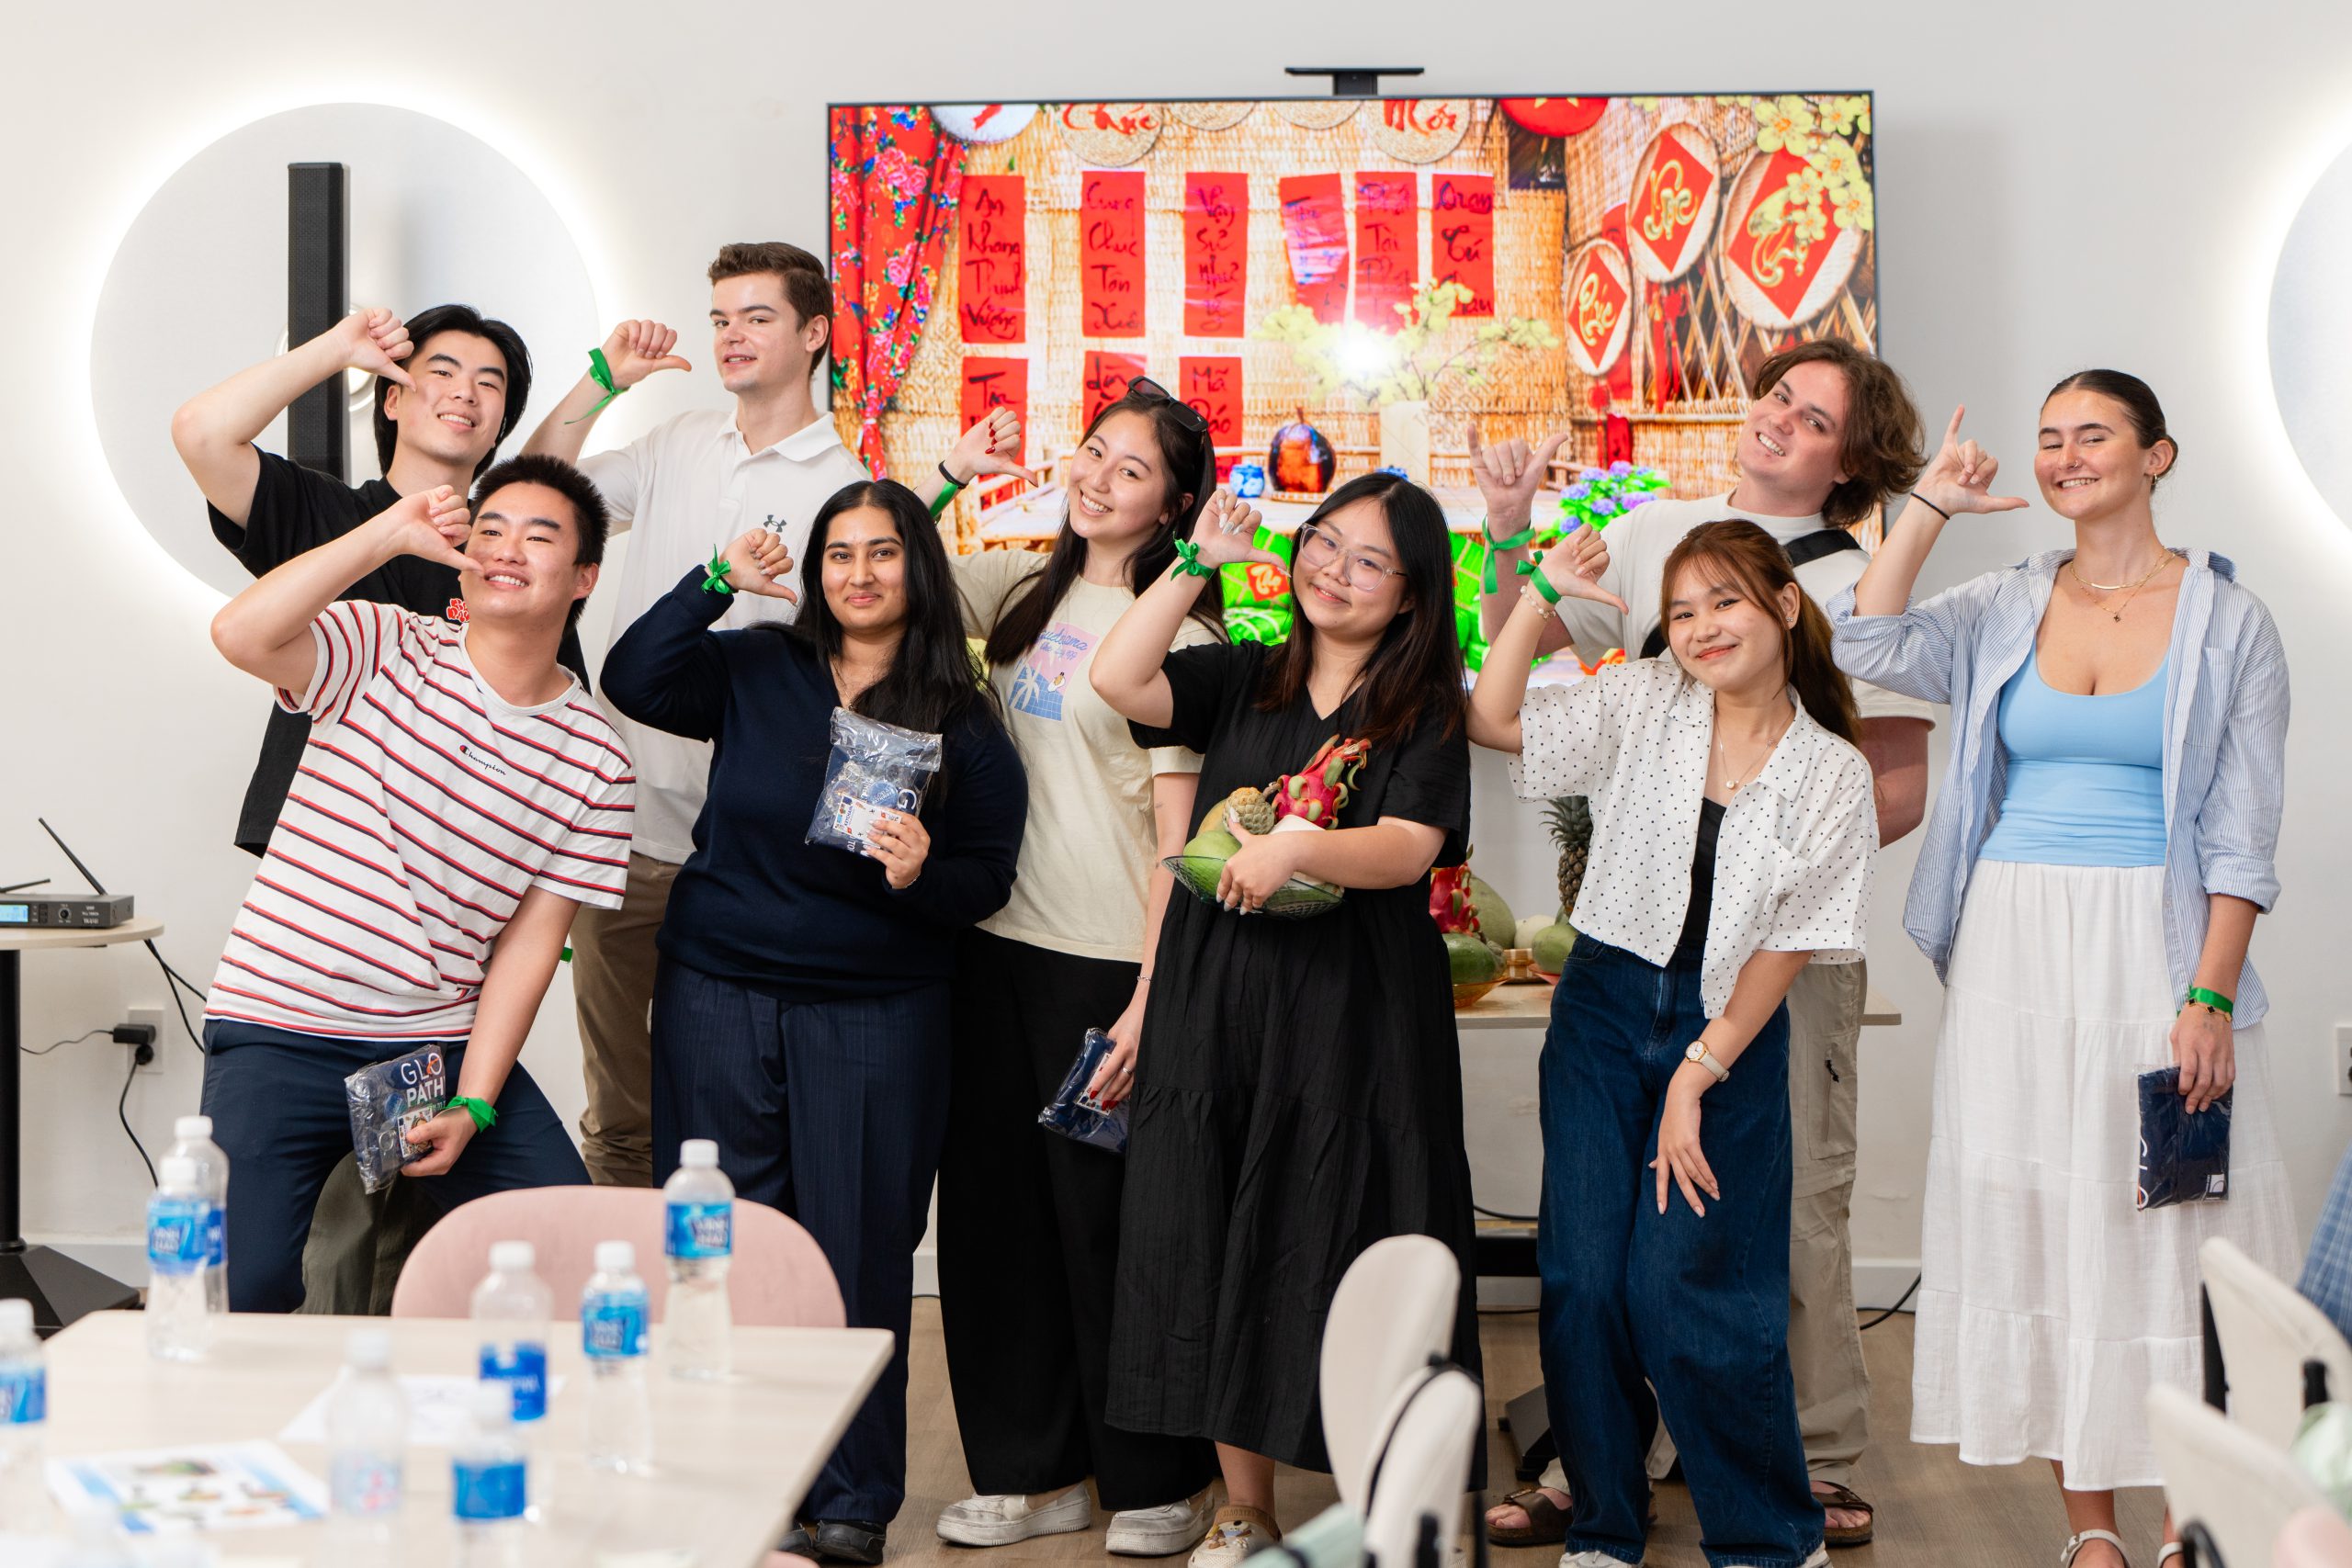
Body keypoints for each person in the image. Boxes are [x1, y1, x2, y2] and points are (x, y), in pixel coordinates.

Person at [1829, 374, 2298, 1568]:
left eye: (2093, 435)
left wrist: (2207, 994)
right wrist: (1929, 505)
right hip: (2015, 944)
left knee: (2174, 1222)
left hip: (2156, 941)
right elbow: (1864, 637)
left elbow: (2244, 834)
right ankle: (2090, 1528)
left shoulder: (2229, 621)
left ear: (2157, 456)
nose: (2065, 456)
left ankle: (2192, 1521)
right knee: (2045, 1222)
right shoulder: (2004, 602)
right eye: (2049, 439)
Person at [1475, 337, 1931, 1549]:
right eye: (1681, 610)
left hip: (1758, 980)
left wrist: (1764, 888)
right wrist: (1517, 546)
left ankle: (1787, 1496)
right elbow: (1508, 694)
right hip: (1615, 980)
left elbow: (1878, 801)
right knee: (1588, 1272)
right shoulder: (1651, 599)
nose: (1699, 623)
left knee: (1722, 1265)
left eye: (1816, 417)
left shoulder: (1855, 606)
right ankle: (1603, 1505)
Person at [525, 241, 1027, 1188]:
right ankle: (647, 1280)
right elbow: (533, 495)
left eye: (757, 317)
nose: (732, 336)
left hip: (756, 854)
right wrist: (602, 379)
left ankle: (761, 1273)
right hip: (623, 827)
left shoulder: (840, 482)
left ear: (813, 333)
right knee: (624, 1116)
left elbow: (888, 584)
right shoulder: (675, 443)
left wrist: (949, 477)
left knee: (745, 1125)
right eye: (721, 318)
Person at [600, 478, 1025, 1565]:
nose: (859, 574)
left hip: (877, 1013)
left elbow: (985, 877)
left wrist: (921, 873)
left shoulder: (961, 716)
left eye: (882, 552)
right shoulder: (755, 666)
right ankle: (736, 1479)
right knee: (720, 1247)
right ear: (814, 571)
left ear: (917, 567)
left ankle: (850, 1500)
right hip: (716, 992)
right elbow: (633, 675)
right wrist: (714, 579)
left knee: (859, 1248)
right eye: (839, 553)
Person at [1090, 471, 1479, 1568]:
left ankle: (1394, 1503)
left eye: (1368, 560)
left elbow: (1407, 849)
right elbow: (1119, 676)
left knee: (1359, 1231)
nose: (1333, 570)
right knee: (1217, 1226)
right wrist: (1196, 562)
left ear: (1411, 594)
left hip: (1355, 1013)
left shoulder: (1422, 706)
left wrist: (1299, 847)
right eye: (1323, 542)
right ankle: (1245, 1506)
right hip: (1219, 999)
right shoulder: (1245, 675)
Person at [196, 456, 628, 1312]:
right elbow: (241, 634)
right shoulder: (383, 643)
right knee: (241, 1289)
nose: (506, 548)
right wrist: (387, 534)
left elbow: (531, 945)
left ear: (584, 577)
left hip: (429, 1050)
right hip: (279, 1027)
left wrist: (474, 1101)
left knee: (576, 1258)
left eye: (538, 536)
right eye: (490, 529)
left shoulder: (597, 758)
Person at [933, 384, 1222, 1556]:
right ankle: (1031, 1471)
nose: (1097, 477)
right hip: (992, 950)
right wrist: (949, 476)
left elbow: (1179, 844)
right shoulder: (1018, 591)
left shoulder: (1182, 638)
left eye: (1131, 468)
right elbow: (870, 559)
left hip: (1105, 969)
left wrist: (1152, 999)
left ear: (1175, 506)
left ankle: (1159, 1478)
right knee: (995, 1223)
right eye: (1093, 452)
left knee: (1112, 1229)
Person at [172, 304, 574, 853]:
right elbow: (200, 433)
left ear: (500, 427)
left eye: (488, 383)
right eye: (442, 372)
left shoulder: (510, 565)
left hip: (462, 861)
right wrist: (336, 349)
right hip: (315, 852)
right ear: (392, 399)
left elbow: (554, 727)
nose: (465, 393)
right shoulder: (321, 510)